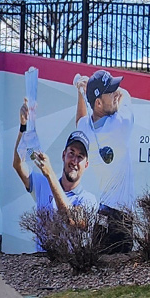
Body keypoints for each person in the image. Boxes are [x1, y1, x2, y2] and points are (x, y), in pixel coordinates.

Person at [13, 98, 98, 250]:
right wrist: (24, 126)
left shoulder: (89, 200)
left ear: (86, 164)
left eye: (80, 157)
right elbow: (18, 164)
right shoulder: (42, 184)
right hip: (41, 266)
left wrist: (50, 174)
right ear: (63, 155)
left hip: (71, 270)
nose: (74, 161)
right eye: (71, 153)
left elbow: (71, 219)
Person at [73, 70, 136, 254]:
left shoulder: (86, 129)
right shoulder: (120, 124)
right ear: (98, 103)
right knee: (119, 274)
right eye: (111, 91)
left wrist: (80, 91)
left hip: (104, 213)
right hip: (120, 217)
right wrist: (85, 90)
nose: (116, 93)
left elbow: (80, 120)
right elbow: (126, 94)